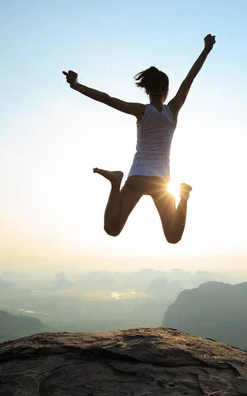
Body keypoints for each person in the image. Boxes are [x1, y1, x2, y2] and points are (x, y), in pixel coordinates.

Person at [63, 34, 216, 244]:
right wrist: (206, 49)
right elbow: (190, 78)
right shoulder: (173, 109)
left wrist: (76, 85)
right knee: (173, 237)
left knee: (112, 229)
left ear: (146, 90)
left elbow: (107, 99)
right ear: (167, 91)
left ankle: (115, 182)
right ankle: (184, 198)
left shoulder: (141, 111)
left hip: (137, 178)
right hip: (161, 182)